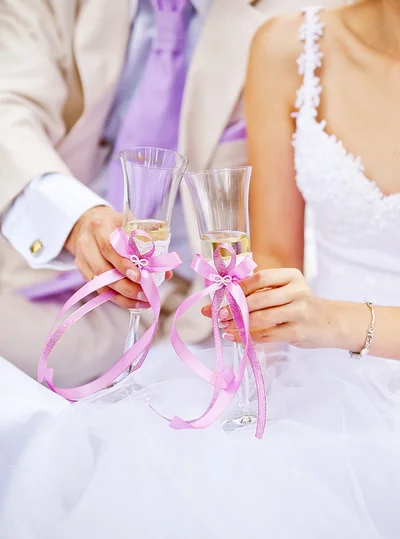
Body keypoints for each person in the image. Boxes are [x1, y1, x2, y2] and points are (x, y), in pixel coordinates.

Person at [1, 1, 400, 539]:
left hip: (268, 336)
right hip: (35, 275)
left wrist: (330, 321)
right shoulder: (293, 45)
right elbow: (269, 252)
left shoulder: (272, 21)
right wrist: (77, 220)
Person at [0, 0, 336, 386]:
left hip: (198, 305)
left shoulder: (304, 22)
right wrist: (76, 220)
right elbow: (7, 109)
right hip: (32, 259)